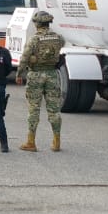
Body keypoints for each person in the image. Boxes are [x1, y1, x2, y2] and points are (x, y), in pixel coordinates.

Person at [16, 10, 66, 152]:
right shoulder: (59, 38)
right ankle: (56, 141)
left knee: (34, 108)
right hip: (52, 75)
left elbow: (25, 57)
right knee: (54, 109)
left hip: (36, 75)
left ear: (37, 24)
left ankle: (31, 142)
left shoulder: (34, 39)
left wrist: (19, 73)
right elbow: (60, 48)